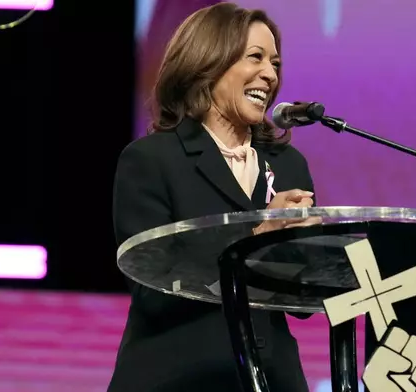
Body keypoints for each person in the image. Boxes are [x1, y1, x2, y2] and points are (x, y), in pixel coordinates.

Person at [108, 3, 316, 391]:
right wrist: (258, 233)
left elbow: (298, 304)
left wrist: (315, 252)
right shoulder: (152, 159)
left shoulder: (289, 164)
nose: (270, 74)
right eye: (255, 58)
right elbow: (153, 289)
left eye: (275, 63)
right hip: (179, 377)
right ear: (208, 62)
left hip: (270, 378)